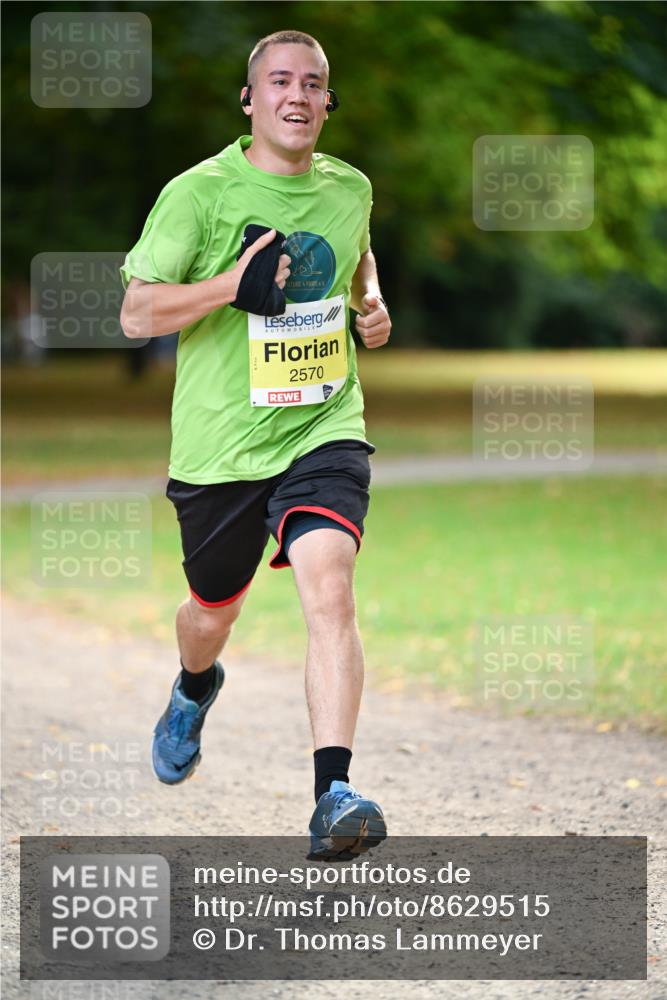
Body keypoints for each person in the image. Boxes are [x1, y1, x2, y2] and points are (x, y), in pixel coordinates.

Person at [120, 29, 391, 861]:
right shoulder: (197, 195)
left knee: (329, 587)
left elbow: (357, 256)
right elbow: (136, 312)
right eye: (279, 81)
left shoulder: (349, 187)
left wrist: (372, 301)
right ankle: (194, 686)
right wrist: (227, 287)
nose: (296, 95)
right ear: (249, 100)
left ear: (327, 102)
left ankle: (333, 795)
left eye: (312, 83)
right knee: (211, 612)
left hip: (322, 424)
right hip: (220, 448)